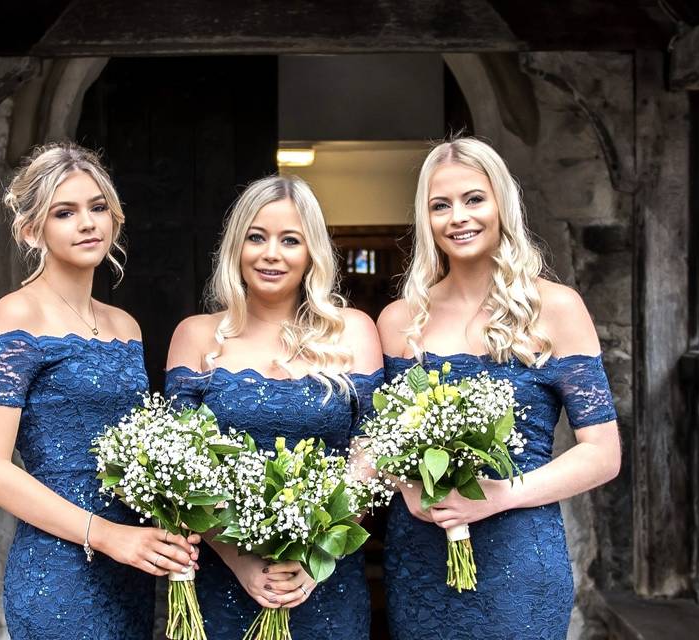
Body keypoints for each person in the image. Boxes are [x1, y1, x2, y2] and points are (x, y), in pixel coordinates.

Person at [378, 137, 621, 639]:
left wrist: (496, 496)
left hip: (520, 557)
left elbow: (603, 454)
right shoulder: (400, 320)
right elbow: (380, 440)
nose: (457, 217)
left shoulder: (556, 308)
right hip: (421, 560)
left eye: (473, 199)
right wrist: (408, 486)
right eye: (440, 206)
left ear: (501, 204)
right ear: (426, 219)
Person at [0, 143, 199, 640]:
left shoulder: (125, 327)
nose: (88, 223)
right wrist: (106, 535)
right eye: (65, 212)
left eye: (97, 208)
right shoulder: (17, 316)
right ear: (33, 229)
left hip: (131, 567)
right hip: (58, 568)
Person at [165, 175, 382, 639]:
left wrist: (316, 556)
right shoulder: (195, 335)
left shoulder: (354, 331)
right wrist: (240, 562)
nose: (271, 253)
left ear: (312, 253)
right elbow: (180, 465)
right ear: (235, 247)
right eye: (256, 237)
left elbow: (373, 452)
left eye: (290, 240)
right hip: (225, 580)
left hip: (326, 579)